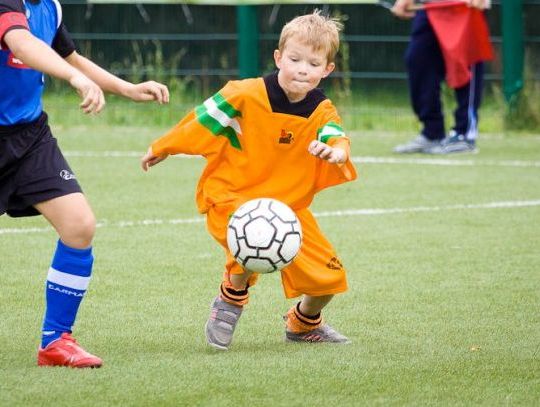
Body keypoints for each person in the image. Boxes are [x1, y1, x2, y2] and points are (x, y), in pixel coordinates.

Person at [141, 10, 357, 350]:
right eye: (295, 59)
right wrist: (164, 146)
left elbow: (336, 136)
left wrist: (338, 152)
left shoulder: (321, 109)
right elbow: (200, 120)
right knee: (249, 240)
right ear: (278, 57)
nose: (302, 69)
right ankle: (232, 296)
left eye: (313, 64)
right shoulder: (244, 94)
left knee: (328, 281)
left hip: (289, 209)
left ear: (327, 70)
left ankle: (303, 323)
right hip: (232, 194)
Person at [0, 0, 169, 367]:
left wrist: (126, 88)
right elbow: (20, 42)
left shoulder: (50, 6)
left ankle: (55, 341)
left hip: (29, 137)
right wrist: (75, 80)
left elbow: (70, 56)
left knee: (79, 226)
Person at [391, 0, 492, 154]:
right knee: (418, 59)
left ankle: (463, 135)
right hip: (431, 5)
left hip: (465, 6)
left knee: (465, 63)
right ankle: (432, 133)